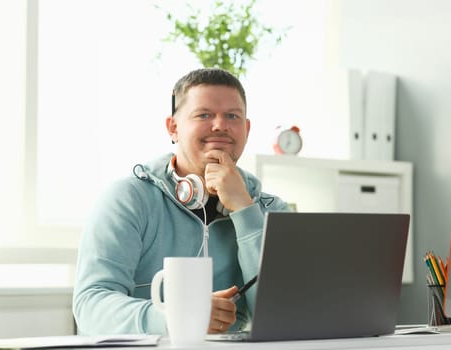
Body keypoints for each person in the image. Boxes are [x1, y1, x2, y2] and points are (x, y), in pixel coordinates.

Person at [72, 68, 289, 335]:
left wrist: (245, 210)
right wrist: (178, 318)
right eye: (204, 115)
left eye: (232, 116)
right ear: (173, 128)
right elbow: (91, 306)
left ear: (246, 129)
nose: (220, 125)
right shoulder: (127, 200)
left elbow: (281, 316)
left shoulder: (272, 211)